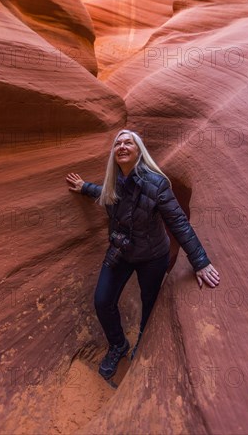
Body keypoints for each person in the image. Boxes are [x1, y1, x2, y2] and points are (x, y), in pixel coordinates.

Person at [66, 129, 220, 380]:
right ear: (114, 153)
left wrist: (200, 261)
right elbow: (107, 194)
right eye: (118, 143)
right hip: (121, 252)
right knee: (103, 301)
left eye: (129, 142)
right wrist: (85, 187)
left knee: (150, 303)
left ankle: (143, 343)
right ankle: (118, 345)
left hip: (152, 257)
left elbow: (179, 223)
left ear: (139, 151)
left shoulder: (156, 184)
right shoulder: (115, 180)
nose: (123, 146)